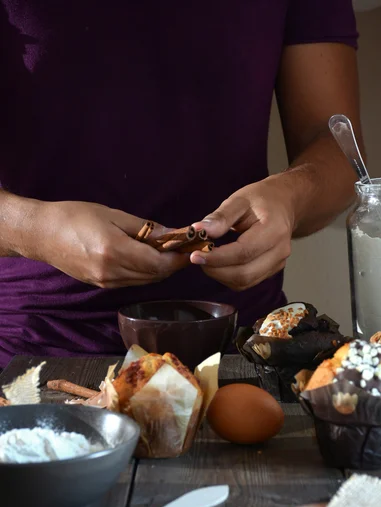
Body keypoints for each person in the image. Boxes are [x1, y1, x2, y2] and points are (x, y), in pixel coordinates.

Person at [0, 1, 363, 369]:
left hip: (246, 353)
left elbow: (339, 151)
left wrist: (291, 198)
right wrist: (37, 230)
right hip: (28, 355)